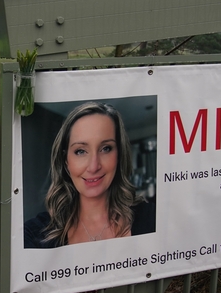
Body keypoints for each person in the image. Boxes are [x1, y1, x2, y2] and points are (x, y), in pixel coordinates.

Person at [24, 102, 155, 248]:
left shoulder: (152, 218)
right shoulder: (33, 234)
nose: (93, 166)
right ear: (66, 160)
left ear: (119, 155)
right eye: (80, 151)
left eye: (106, 148)